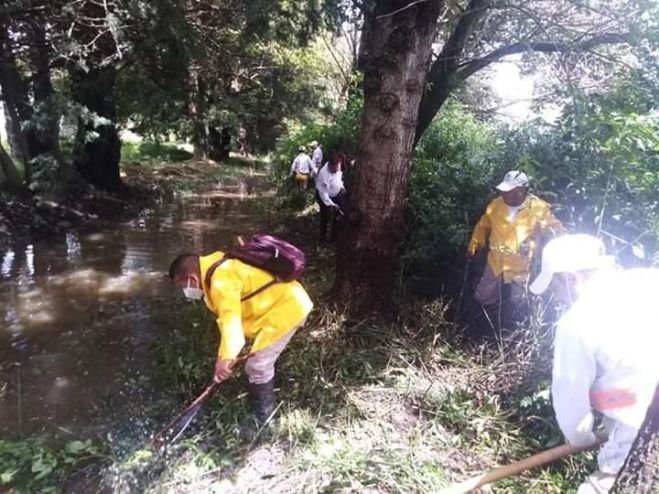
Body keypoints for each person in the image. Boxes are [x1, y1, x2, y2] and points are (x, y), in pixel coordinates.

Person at [529, 234, 659, 493]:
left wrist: (581, 437)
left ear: (570, 278)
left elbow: (570, 398)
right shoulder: (648, 280)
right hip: (641, 414)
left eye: (554, 289)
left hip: (639, 428)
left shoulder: (576, 323)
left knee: (604, 485)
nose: (557, 298)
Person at [168, 250, 313, 432]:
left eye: (182, 285)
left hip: (287, 310)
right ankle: (263, 411)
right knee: (258, 361)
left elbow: (231, 322)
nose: (185, 291)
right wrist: (227, 355)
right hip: (281, 306)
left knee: (257, 366)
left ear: (192, 278)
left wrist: (225, 358)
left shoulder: (221, 281)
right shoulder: (218, 267)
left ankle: (264, 424)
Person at [466, 170, 564, 321]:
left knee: (519, 300)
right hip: (496, 261)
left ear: (521, 191)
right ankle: (482, 324)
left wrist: (561, 242)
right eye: (503, 191)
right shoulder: (496, 205)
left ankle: (514, 328)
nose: (504, 194)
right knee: (484, 295)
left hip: (522, 265)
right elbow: (482, 226)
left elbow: (555, 229)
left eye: (508, 191)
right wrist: (474, 246)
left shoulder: (537, 208)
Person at [315, 153, 347, 243]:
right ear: (330, 166)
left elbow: (339, 178)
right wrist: (331, 204)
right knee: (325, 217)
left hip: (336, 194)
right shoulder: (323, 175)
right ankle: (322, 239)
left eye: (337, 167)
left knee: (339, 214)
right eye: (334, 169)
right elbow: (323, 193)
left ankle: (333, 238)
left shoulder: (338, 165)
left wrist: (341, 186)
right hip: (324, 196)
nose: (337, 170)